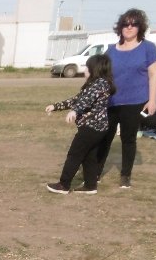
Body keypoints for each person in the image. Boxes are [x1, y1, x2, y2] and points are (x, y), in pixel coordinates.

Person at [95, 8, 156, 190]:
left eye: (134, 24)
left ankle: (125, 176)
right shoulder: (110, 50)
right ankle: (96, 173)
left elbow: (154, 74)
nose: (129, 27)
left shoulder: (148, 48)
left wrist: (152, 100)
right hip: (111, 101)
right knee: (104, 138)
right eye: (126, 24)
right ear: (120, 27)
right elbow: (101, 75)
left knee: (128, 138)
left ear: (140, 27)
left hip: (135, 101)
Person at [45, 53, 116, 195]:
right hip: (98, 129)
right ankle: (90, 186)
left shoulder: (99, 85)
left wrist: (74, 111)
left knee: (75, 154)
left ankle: (63, 185)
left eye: (87, 68)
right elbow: (77, 99)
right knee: (89, 156)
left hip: (91, 128)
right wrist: (56, 106)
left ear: (94, 69)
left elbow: (84, 102)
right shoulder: (95, 85)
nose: (84, 71)